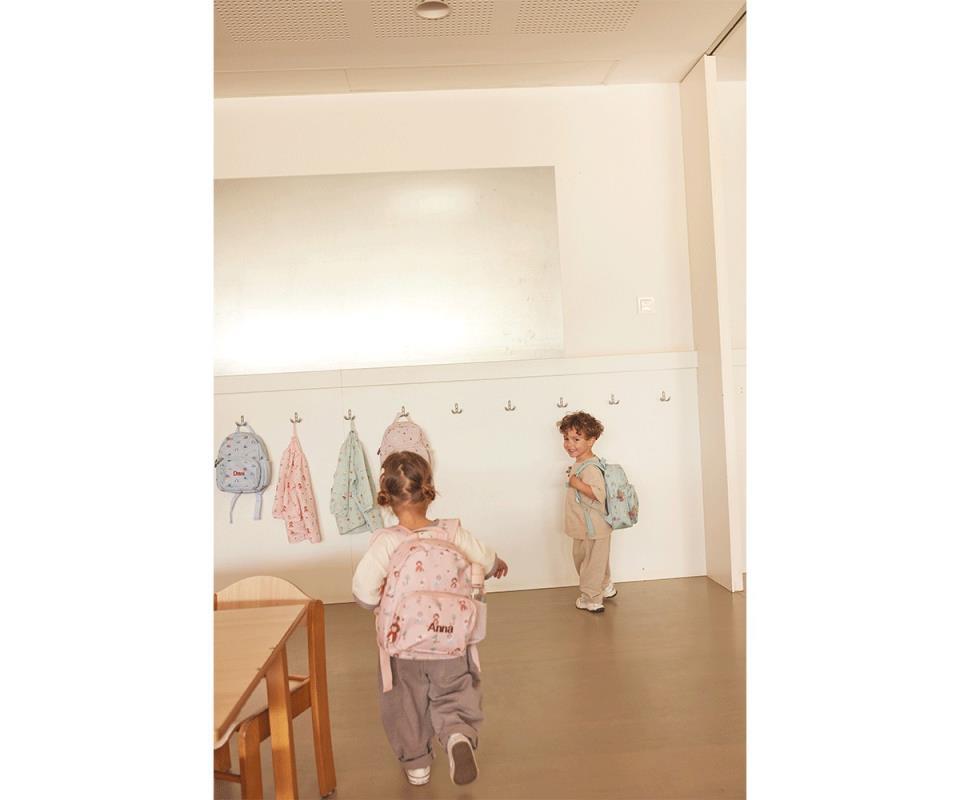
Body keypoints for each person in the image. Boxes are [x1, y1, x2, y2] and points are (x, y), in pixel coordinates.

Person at [352, 450, 509, 787]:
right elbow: (486, 559)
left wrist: (378, 601)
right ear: (429, 490)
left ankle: (417, 765)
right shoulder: (452, 533)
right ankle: (457, 734)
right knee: (454, 692)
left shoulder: (386, 543)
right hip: (450, 639)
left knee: (404, 705)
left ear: (386, 497)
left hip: (402, 647)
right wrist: (497, 564)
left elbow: (364, 593)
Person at [558, 411, 617, 612]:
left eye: (576, 439)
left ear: (591, 441)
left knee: (589, 563)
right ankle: (605, 586)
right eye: (566, 438)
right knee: (595, 560)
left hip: (592, 527)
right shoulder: (582, 463)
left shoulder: (590, 467)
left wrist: (577, 483)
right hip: (589, 525)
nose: (569, 444)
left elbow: (598, 493)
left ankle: (591, 599)